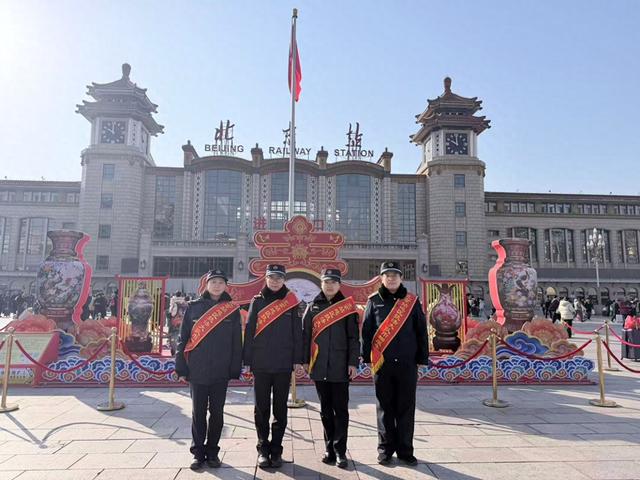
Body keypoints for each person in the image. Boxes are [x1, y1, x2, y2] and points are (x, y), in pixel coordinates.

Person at [361, 261, 429, 467]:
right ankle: (385, 450)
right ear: (381, 278)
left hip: (407, 363)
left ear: (401, 278)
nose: (391, 278)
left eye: (395, 275)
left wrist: (422, 359)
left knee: (406, 408)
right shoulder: (374, 301)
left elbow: (421, 331)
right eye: (387, 275)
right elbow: (367, 331)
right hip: (382, 364)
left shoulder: (411, 301)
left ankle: (405, 451)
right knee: (384, 408)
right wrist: (367, 359)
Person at [175, 269, 243, 471]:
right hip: (197, 369)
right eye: (213, 282)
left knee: (217, 413)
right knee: (198, 413)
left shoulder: (231, 310)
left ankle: (213, 452)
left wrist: (234, 368)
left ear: (226, 286)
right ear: (206, 284)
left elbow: (236, 342)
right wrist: (181, 367)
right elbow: (183, 338)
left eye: (221, 282)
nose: (217, 286)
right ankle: (198, 453)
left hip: (221, 370)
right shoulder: (193, 307)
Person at [243, 264, 303, 469]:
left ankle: (276, 450)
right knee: (261, 408)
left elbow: (297, 332)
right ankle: (263, 449)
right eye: (272, 277)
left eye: (279, 278)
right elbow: (249, 330)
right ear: (266, 279)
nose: (275, 281)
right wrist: (247, 360)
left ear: (284, 280)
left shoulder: (291, 301)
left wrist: (297, 359)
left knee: (280, 409)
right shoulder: (257, 301)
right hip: (260, 363)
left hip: (283, 364)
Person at [302, 268, 359, 469]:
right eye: (326, 282)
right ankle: (329, 449)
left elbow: (354, 338)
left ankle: (340, 451)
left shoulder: (347, 307)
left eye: (333, 282)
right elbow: (306, 336)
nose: (330, 285)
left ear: (339, 285)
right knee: (325, 410)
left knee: (341, 410)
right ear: (321, 284)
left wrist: (353, 363)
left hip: (340, 367)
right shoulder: (312, 307)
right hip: (319, 366)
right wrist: (305, 361)